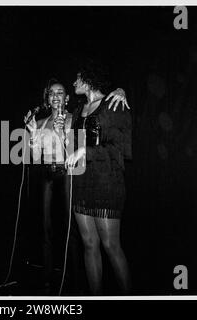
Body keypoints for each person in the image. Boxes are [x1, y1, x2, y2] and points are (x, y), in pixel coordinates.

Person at [24, 78, 128, 294]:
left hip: (70, 175)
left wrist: (120, 90)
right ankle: (47, 280)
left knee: (73, 231)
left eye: (60, 92)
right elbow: (35, 157)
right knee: (46, 228)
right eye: (51, 93)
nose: (55, 96)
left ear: (67, 98)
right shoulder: (41, 122)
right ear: (47, 98)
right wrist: (33, 135)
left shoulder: (76, 117)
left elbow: (77, 151)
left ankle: (76, 281)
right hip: (48, 177)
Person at [66, 61, 132, 295]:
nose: (73, 82)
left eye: (77, 78)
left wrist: (87, 151)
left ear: (88, 79)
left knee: (110, 245)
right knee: (89, 244)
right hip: (82, 183)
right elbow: (70, 146)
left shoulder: (113, 104)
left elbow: (121, 150)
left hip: (107, 183)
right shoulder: (77, 110)